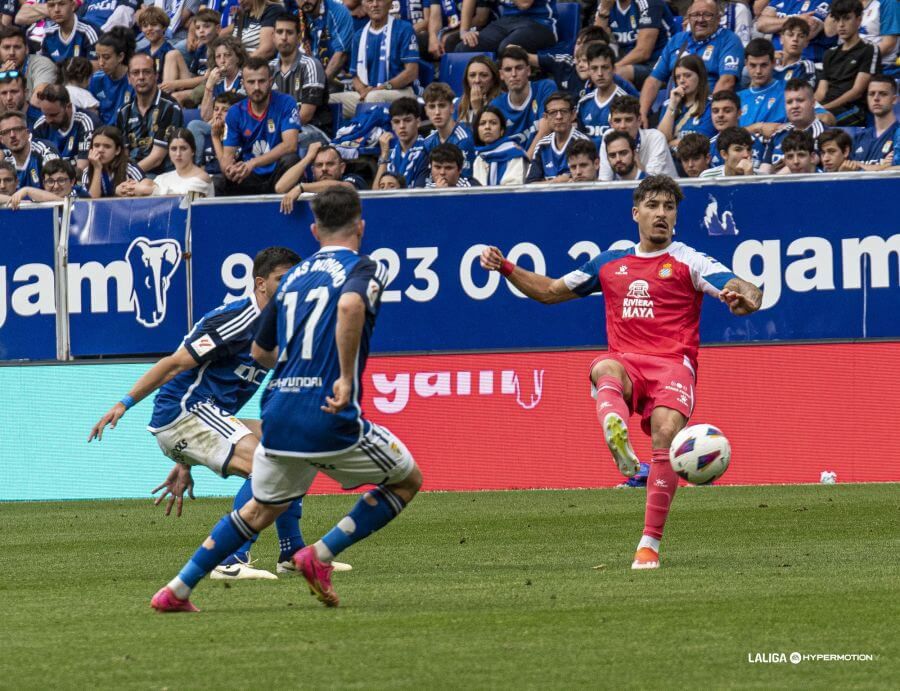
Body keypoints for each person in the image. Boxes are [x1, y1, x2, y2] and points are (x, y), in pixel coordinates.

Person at [151, 188, 421, 611]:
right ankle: (319, 554)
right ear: (361, 226)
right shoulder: (363, 268)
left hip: (278, 410)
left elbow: (259, 352)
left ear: (314, 230)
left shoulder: (293, 277)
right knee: (407, 480)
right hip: (327, 410)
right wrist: (346, 378)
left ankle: (177, 590)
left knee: (262, 507)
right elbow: (350, 306)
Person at [479, 174, 761, 570]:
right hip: (627, 362)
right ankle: (615, 424)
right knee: (605, 365)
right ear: (636, 213)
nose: (661, 214)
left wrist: (743, 299)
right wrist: (506, 267)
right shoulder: (610, 261)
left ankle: (648, 545)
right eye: (653, 206)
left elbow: (745, 288)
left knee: (665, 430)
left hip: (672, 367)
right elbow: (550, 291)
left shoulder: (689, 260)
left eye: (669, 207)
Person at [89, 247, 351, 582]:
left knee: (297, 446)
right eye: (281, 280)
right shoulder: (236, 320)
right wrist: (124, 403)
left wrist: (184, 460)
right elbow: (174, 366)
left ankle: (292, 553)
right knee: (268, 468)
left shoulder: (283, 322)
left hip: (205, 417)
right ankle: (230, 560)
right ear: (260, 284)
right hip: (183, 413)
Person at [639, 0, 744, 127]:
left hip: (705, 111)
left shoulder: (729, 40)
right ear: (688, 18)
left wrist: (707, 112)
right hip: (674, 107)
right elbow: (653, 80)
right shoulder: (677, 40)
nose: (700, 19)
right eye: (695, 15)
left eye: (707, 15)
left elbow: (727, 81)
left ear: (718, 18)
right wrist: (642, 113)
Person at [216, 57, 301, 195]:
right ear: (243, 84)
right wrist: (229, 169)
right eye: (251, 82)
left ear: (270, 82)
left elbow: (290, 145)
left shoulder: (286, 103)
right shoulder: (235, 112)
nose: (256, 87)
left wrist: (253, 163)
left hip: (278, 175)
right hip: (250, 177)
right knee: (218, 182)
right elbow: (227, 155)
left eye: (261, 81)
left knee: (291, 160)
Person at [329, 0, 420, 119]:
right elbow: (354, 75)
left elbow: (411, 73)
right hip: (368, 94)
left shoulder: (404, 29)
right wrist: (363, 91)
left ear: (390, 3)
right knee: (328, 100)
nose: (375, 4)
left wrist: (381, 88)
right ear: (363, 5)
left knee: (374, 98)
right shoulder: (359, 35)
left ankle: (368, 134)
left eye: (380, 0)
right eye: (369, 1)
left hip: (401, 93)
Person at [116, 53, 184, 176]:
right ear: (129, 79)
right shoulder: (124, 111)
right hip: (132, 174)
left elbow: (157, 158)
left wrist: (128, 175)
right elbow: (124, 154)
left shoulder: (169, 107)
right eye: (135, 73)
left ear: (156, 76)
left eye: (146, 72)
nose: (141, 77)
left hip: (161, 175)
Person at [816, 0, 880, 126]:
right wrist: (810, 107)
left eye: (846, 19)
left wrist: (825, 108)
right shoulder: (830, 53)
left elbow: (857, 92)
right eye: (837, 20)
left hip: (852, 109)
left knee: (820, 121)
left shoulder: (869, 49)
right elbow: (821, 92)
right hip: (826, 107)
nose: (841, 25)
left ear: (859, 20)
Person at [270, 12, 330, 143]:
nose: (284, 37)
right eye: (279, 32)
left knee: (279, 142)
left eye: (289, 33)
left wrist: (275, 131)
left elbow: (306, 115)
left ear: (298, 37)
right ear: (273, 36)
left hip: (313, 130)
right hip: (279, 129)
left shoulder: (311, 64)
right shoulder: (269, 68)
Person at [594, 0, 676, 88]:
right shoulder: (607, 4)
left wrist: (612, 68)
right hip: (631, 64)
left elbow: (643, 52)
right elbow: (595, 43)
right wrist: (604, 10)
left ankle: (634, 101)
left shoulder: (648, 2)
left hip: (661, 63)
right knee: (593, 71)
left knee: (616, 74)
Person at [598, 95, 677, 180]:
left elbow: (652, 183)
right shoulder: (608, 137)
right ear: (611, 123)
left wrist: (636, 161)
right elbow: (605, 179)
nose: (622, 126)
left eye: (628, 120)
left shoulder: (656, 138)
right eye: (617, 121)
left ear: (639, 121)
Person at [490, 45, 556, 147]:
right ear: (501, 75)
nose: (513, 74)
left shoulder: (545, 88)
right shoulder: (496, 106)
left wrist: (525, 161)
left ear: (528, 71)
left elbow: (545, 130)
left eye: (519, 68)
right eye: (508, 69)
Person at [758, 78, 828, 173]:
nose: (794, 106)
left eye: (800, 100)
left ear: (813, 103)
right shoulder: (778, 135)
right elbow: (764, 172)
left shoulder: (824, 135)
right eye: (789, 102)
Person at [277, 141, 367, 213]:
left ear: (342, 168)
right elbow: (280, 188)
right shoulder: (310, 184)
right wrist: (308, 158)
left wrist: (301, 188)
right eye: (319, 165)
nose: (324, 169)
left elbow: (346, 187)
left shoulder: (353, 178)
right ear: (312, 170)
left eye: (330, 164)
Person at [124, 128, 215, 197]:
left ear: (193, 151)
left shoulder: (203, 178)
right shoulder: (162, 178)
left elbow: (185, 201)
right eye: (173, 149)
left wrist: (152, 191)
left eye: (183, 148)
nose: (178, 154)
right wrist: (124, 189)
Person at [527, 91, 592, 182]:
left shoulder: (583, 142)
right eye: (553, 112)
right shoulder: (542, 145)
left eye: (564, 111)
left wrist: (545, 183)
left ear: (573, 114)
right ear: (546, 117)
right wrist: (557, 182)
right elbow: (530, 184)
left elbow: (588, 181)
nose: (559, 116)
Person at [161, 9, 221, 106]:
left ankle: (165, 96)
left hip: (209, 87)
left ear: (218, 29)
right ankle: (164, 91)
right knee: (173, 54)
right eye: (197, 28)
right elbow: (193, 73)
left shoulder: (220, 50)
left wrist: (176, 84)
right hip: (196, 82)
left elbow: (207, 79)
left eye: (206, 26)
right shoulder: (202, 48)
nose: (201, 31)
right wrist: (172, 82)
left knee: (176, 96)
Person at [576, 42, 630, 147]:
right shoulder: (583, 103)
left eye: (605, 67)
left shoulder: (625, 101)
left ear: (614, 69)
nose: (600, 73)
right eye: (594, 68)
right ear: (589, 70)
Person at [455, 0, 558, 54]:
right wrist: (464, 31)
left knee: (507, 48)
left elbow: (525, 3)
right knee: (465, 47)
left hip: (540, 23)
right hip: (507, 21)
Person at [32, 84, 95, 173]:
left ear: (68, 107)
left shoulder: (85, 122)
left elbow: (82, 169)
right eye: (45, 114)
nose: (48, 120)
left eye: (53, 115)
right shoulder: (40, 126)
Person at [657, 55, 715, 146]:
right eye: (678, 77)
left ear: (700, 76)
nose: (682, 81)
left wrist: (670, 144)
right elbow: (661, 140)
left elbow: (699, 142)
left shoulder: (711, 105)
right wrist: (672, 105)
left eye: (687, 75)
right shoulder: (668, 104)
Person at [295, 0, 355, 83]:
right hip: (307, 82)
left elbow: (341, 54)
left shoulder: (337, 11)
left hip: (340, 81)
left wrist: (319, 86)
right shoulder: (294, 18)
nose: (305, 1)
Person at [423, 81, 475, 175]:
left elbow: (466, 180)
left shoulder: (464, 139)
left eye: (442, 106)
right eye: (432, 107)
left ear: (451, 108)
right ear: (426, 110)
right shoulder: (427, 142)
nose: (437, 112)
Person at [373, 96, 427, 187]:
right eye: (397, 122)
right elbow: (376, 193)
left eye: (407, 120)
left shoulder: (426, 150)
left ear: (418, 122)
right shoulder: (389, 154)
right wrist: (384, 155)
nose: (402, 126)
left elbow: (419, 193)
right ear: (392, 125)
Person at [756, 0, 832, 63]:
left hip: (806, 62)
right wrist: (797, 19)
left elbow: (809, 30)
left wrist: (776, 25)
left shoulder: (824, 1)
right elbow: (761, 24)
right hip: (776, 59)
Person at [0, 110, 59, 189]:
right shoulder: (6, 163)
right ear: (1, 139)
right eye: (6, 132)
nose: (12, 135)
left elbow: (58, 189)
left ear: (27, 133)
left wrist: (27, 192)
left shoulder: (44, 151)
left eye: (17, 129)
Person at [471, 104, 529, 186]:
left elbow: (513, 188)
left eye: (493, 123)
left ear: (502, 130)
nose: (487, 127)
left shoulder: (515, 154)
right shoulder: (479, 158)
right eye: (482, 123)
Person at [81, 125, 146, 197]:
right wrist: (97, 169)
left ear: (117, 150)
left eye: (107, 146)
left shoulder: (130, 169)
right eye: (96, 145)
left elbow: (147, 193)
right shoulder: (87, 172)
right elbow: (91, 203)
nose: (100, 150)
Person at [89, 27, 136, 126]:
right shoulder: (96, 79)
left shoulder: (134, 80)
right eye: (98, 57)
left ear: (120, 57)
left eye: (106, 57)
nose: (101, 63)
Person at [848, 75, 897, 166]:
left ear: (894, 99)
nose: (876, 98)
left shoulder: (898, 134)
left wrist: (861, 166)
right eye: (871, 94)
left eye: (883, 94)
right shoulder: (858, 138)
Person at [3, 157, 91, 208]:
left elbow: (64, 203)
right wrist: (13, 201)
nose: (56, 186)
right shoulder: (38, 196)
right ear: (44, 183)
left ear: (72, 182)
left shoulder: (81, 194)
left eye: (61, 180)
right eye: (50, 181)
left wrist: (26, 190)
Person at [738, 38, 787, 126]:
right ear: (746, 63)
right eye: (753, 65)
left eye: (764, 65)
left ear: (773, 63)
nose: (758, 71)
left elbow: (815, 115)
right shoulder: (738, 98)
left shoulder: (788, 90)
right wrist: (756, 128)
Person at [0, 25, 57, 100]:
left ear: (26, 49)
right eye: (6, 47)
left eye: (17, 47)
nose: (12, 53)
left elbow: (39, 99)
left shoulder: (42, 64)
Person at [454, 54, 501, 126]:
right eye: (472, 75)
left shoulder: (501, 103)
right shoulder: (458, 103)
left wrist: (477, 109)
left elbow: (488, 135)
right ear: (466, 79)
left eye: (484, 75)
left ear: (493, 79)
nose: (477, 80)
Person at [774, 16, 817, 85]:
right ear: (781, 39)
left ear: (806, 42)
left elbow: (802, 94)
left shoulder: (805, 67)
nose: (795, 39)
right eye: (790, 35)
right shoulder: (769, 61)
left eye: (801, 36)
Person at [136, 6, 175, 83]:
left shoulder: (170, 52)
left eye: (154, 24)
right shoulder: (140, 53)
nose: (149, 28)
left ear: (164, 27)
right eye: (145, 26)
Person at [708, 89, 741, 165]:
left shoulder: (752, 141)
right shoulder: (707, 147)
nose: (720, 115)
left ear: (739, 113)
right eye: (715, 111)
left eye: (727, 111)